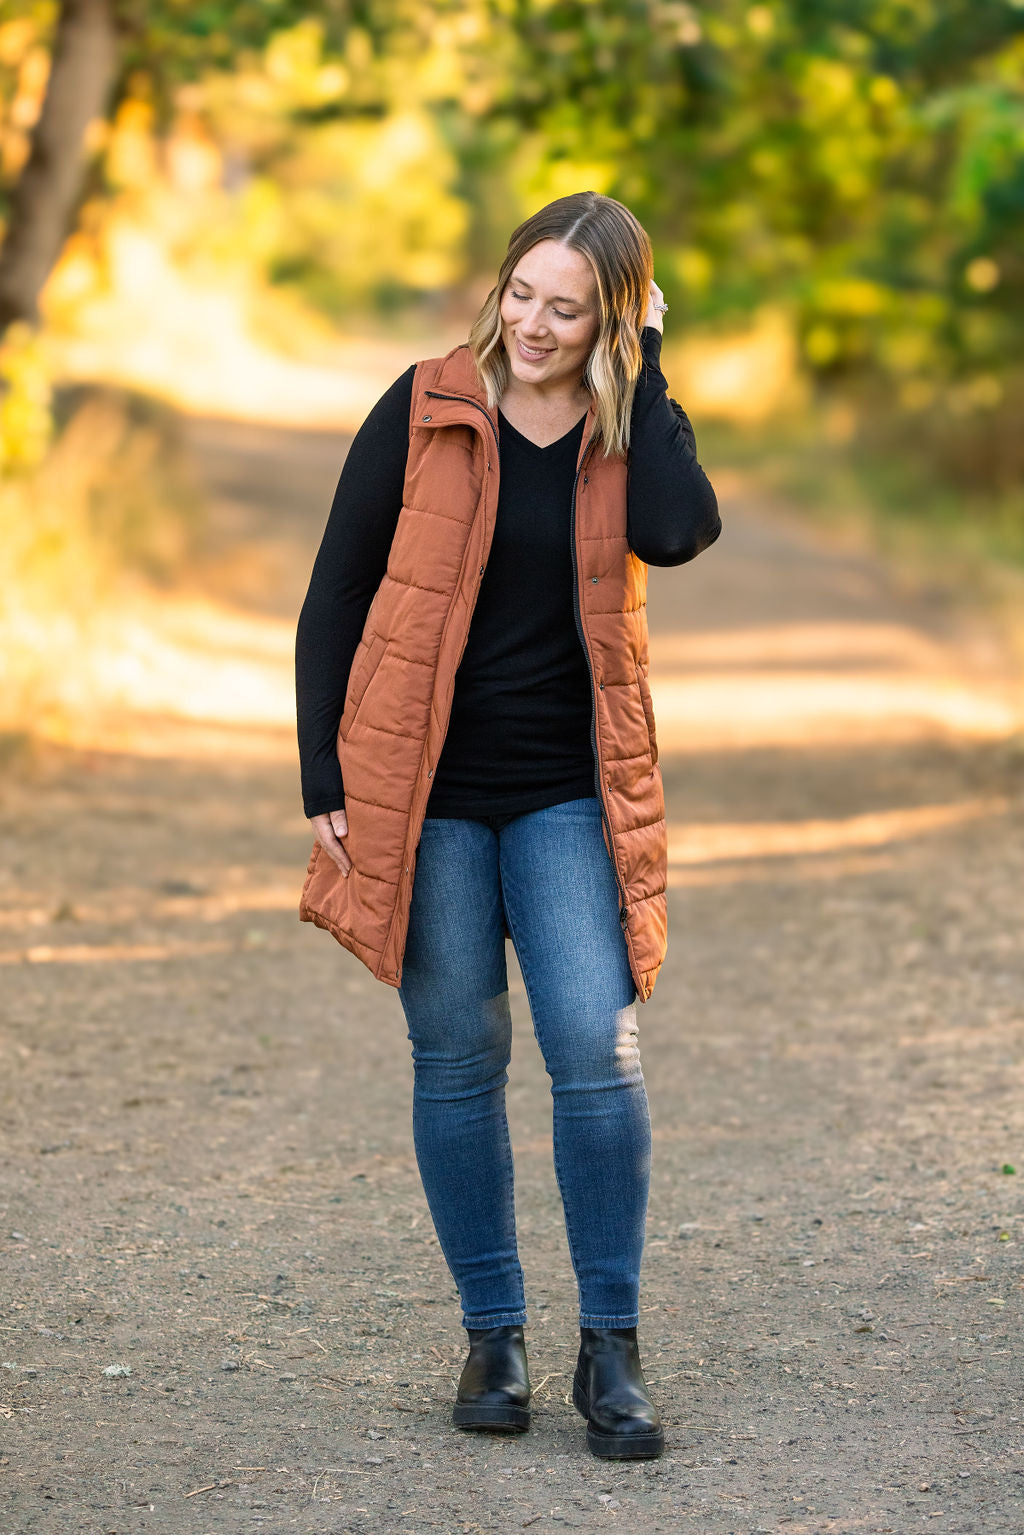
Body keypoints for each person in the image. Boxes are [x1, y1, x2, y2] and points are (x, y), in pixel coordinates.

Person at [294, 190, 720, 1460]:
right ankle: (493, 1330)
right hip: (422, 794)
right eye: (521, 294)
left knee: (597, 1041)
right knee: (456, 1051)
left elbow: (675, 530)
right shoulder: (423, 405)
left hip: (566, 788)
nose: (534, 325)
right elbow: (334, 591)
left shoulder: (617, 425)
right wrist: (322, 772)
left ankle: (612, 1346)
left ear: (611, 318)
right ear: (500, 288)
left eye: (569, 306)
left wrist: (651, 371)